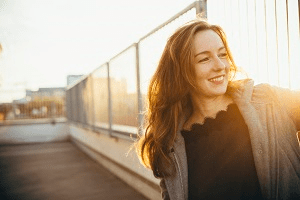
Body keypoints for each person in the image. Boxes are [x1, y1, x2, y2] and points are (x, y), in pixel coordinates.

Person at [136, 18, 300, 200]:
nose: (220, 66)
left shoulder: (268, 101)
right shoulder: (171, 141)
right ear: (181, 71)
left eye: (222, 55)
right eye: (204, 59)